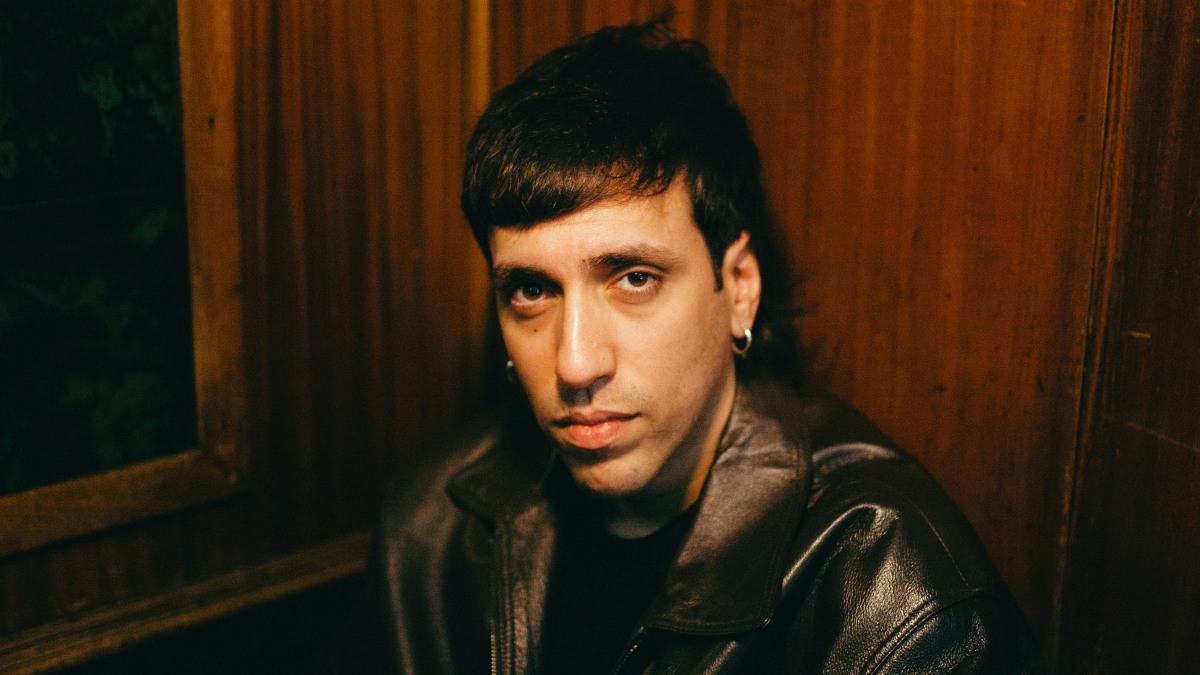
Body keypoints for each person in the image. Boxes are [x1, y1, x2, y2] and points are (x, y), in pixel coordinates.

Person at [341, 16, 1043, 674]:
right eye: (531, 290)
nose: (575, 362)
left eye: (634, 278)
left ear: (737, 287)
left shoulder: (893, 599)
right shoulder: (430, 533)